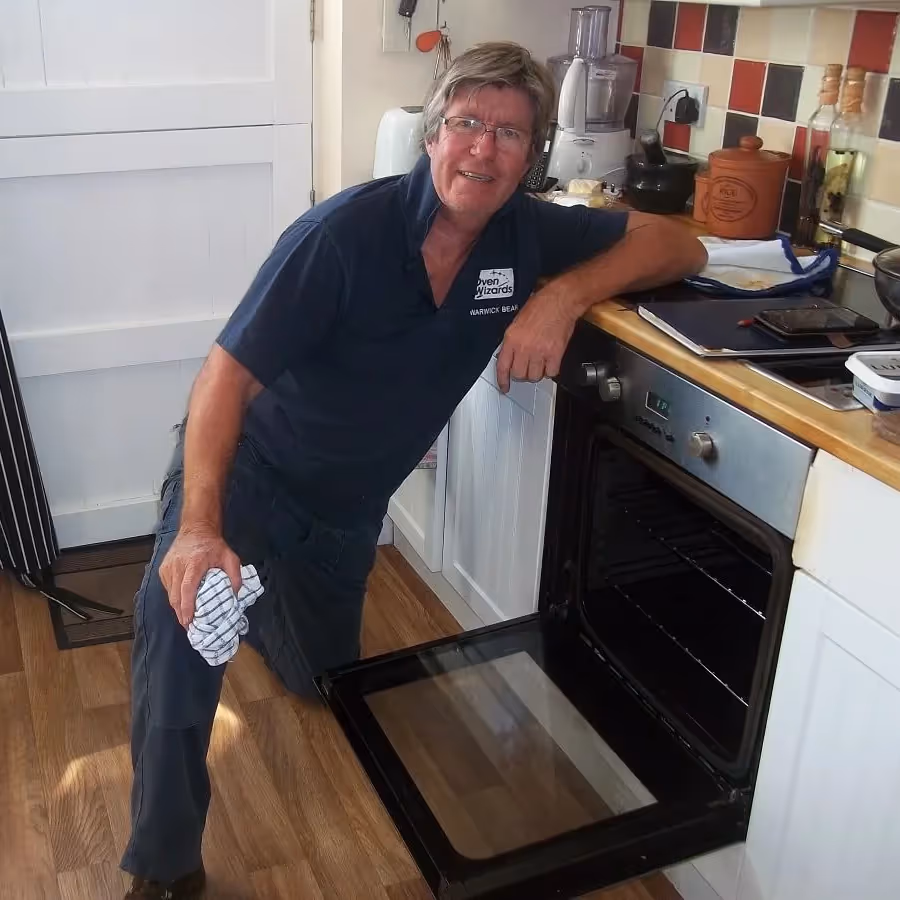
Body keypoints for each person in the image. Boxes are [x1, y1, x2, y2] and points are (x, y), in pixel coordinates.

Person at [120, 40, 707, 899]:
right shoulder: (339, 237)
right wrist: (202, 528)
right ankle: (164, 868)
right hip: (252, 472)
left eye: (510, 134)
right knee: (179, 622)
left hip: (347, 511)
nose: (484, 148)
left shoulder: (527, 234)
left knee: (327, 684)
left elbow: (677, 242)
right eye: (467, 123)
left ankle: (261, 596)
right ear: (432, 136)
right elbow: (224, 377)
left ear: (532, 155)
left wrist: (561, 294)